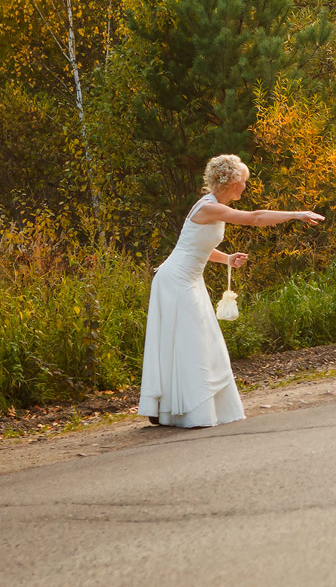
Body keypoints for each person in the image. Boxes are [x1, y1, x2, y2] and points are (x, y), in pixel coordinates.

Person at [138, 154, 324, 428]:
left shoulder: (213, 206)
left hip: (190, 279)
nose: (245, 187)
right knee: (195, 341)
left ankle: (173, 409)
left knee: (201, 341)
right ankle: (183, 409)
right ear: (233, 181)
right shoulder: (208, 207)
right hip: (176, 281)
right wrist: (297, 214)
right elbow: (255, 218)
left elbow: (196, 246)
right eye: (244, 182)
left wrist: (225, 259)